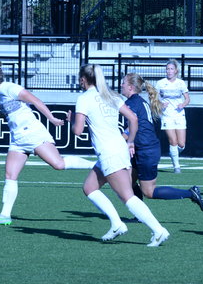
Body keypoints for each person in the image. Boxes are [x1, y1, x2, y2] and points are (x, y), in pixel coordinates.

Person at [0, 61, 95, 225]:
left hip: (32, 133)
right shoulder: (2, 93)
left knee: (58, 164)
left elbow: (36, 101)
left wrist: (52, 119)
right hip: (18, 139)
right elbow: (10, 112)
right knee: (10, 176)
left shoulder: (10, 88)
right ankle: (5, 215)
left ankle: (97, 165)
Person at [71, 64, 169, 247]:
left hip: (109, 152)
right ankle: (117, 224)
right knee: (89, 187)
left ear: (83, 80)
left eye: (80, 79)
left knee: (127, 197)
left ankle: (158, 230)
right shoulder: (111, 95)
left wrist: (72, 121)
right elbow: (133, 118)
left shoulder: (84, 98)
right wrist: (130, 142)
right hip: (118, 149)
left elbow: (77, 131)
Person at [121, 72, 203, 211]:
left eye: (123, 82)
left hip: (146, 150)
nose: (121, 85)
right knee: (128, 182)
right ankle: (139, 215)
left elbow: (131, 126)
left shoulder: (131, 103)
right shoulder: (138, 101)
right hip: (142, 149)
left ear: (130, 87)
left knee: (149, 191)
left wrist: (119, 141)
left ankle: (191, 193)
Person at [155, 59, 190, 173]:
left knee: (181, 144)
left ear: (176, 71)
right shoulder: (160, 83)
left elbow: (187, 99)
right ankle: (176, 167)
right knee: (173, 141)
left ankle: (173, 153)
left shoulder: (181, 83)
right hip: (167, 115)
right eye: (167, 69)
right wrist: (160, 104)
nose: (169, 71)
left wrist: (183, 104)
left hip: (179, 115)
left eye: (171, 69)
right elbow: (154, 98)